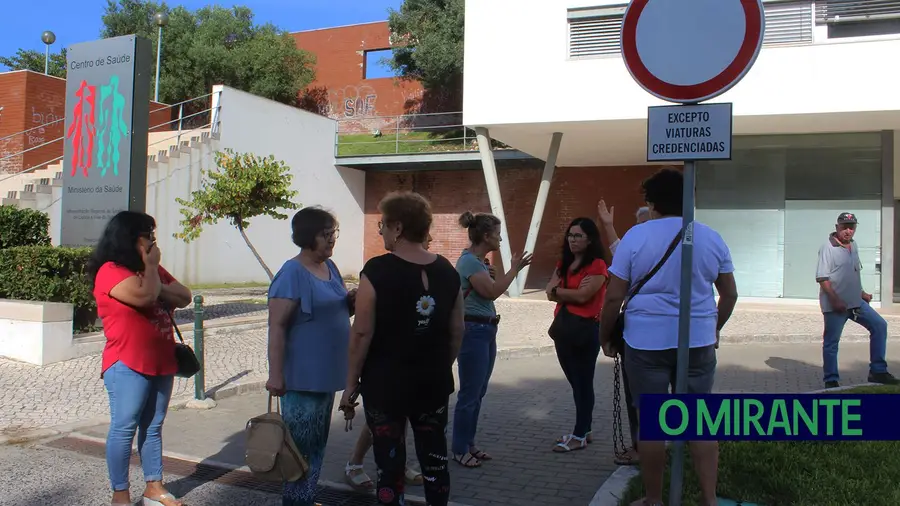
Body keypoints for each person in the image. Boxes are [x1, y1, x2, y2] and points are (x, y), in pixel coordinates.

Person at [599, 168, 738, 506]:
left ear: (652, 202)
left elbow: (614, 296)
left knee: (653, 425)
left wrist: (605, 335)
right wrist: (714, 328)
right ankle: (709, 500)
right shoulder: (710, 236)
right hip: (698, 341)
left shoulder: (636, 236)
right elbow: (729, 294)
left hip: (645, 342)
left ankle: (653, 500)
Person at [340, 191, 465, 506]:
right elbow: (457, 330)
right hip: (433, 383)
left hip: (385, 384)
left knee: (389, 464)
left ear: (397, 227)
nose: (380, 230)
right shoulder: (448, 271)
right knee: (435, 460)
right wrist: (439, 364)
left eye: (382, 224)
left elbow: (362, 331)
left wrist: (351, 382)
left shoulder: (377, 270)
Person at [86, 211, 193, 506]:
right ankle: (120, 494)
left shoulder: (150, 270)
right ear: (129, 238)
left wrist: (156, 281)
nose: (153, 242)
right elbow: (145, 297)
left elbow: (185, 296)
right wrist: (153, 273)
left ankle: (154, 487)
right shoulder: (111, 270)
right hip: (126, 362)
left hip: (162, 359)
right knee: (124, 427)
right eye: (148, 235)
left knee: (154, 425)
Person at [266, 207, 354, 506]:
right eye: (325, 235)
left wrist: (351, 302)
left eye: (333, 234)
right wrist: (275, 374)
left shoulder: (330, 268)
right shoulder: (291, 272)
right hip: (302, 379)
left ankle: (305, 497)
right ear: (307, 236)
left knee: (316, 447)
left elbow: (334, 308)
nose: (332, 241)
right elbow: (276, 327)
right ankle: (295, 501)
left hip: (326, 376)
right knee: (299, 451)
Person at [452, 211, 532, 467]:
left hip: (485, 329)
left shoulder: (478, 262)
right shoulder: (469, 262)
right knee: (470, 393)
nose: (500, 238)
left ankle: (469, 444)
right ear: (485, 236)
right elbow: (493, 292)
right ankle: (459, 449)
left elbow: (488, 290)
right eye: (497, 233)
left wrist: (495, 274)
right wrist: (514, 269)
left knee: (479, 392)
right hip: (473, 330)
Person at [545, 217, 609, 452]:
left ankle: (580, 434)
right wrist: (564, 291)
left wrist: (559, 291)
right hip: (563, 329)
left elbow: (585, 296)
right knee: (576, 383)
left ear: (590, 238)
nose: (572, 240)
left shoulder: (598, 265)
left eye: (578, 235)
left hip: (584, 330)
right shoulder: (564, 263)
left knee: (583, 383)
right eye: (570, 235)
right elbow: (548, 292)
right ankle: (586, 429)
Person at [816, 212, 899, 388]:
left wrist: (862, 293)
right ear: (837, 227)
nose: (848, 231)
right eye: (844, 227)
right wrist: (835, 300)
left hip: (856, 303)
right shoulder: (827, 248)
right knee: (831, 342)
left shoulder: (853, 246)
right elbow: (823, 279)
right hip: (835, 306)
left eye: (851, 227)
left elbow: (851, 274)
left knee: (879, 325)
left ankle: (878, 371)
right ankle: (830, 380)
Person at [596, 199, 648, 465]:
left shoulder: (644, 247)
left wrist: (605, 335)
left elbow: (613, 298)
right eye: (638, 226)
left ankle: (645, 449)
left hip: (641, 337)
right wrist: (608, 226)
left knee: (640, 397)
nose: (640, 232)